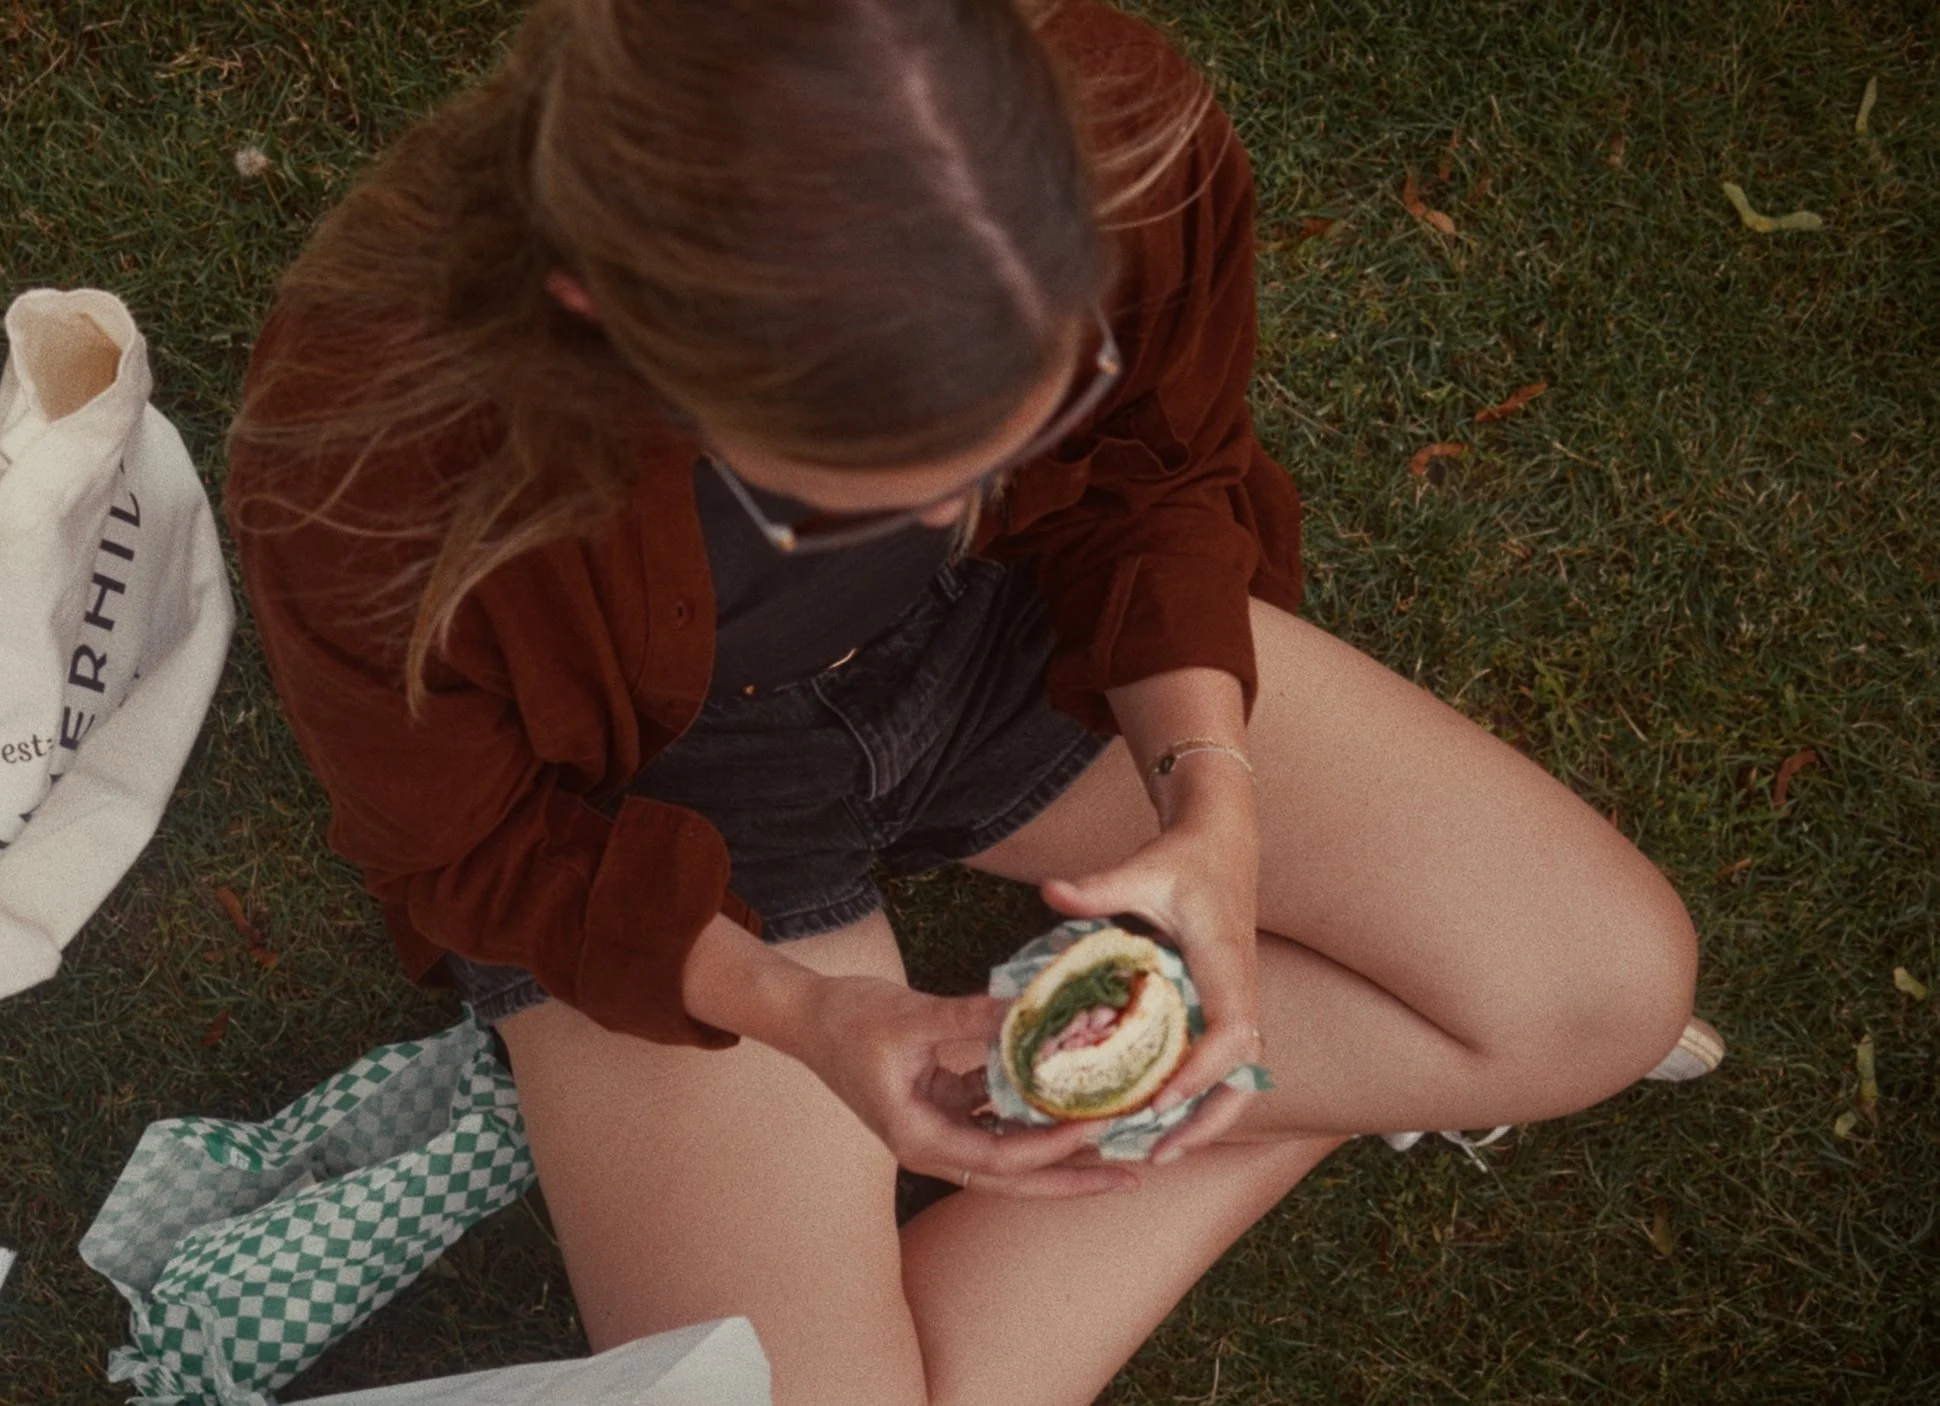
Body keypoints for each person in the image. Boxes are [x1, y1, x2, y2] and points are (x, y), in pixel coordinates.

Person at [225, 2, 1709, 1401]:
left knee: (1604, 992)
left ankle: (1176, 1074)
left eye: (1022, 426)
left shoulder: (1113, 132)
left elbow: (1157, 487)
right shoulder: (374, 442)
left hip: (1011, 649)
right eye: (843, 498)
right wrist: (805, 1014)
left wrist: (1214, 792)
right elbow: (470, 846)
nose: (950, 515)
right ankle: (1230, 1085)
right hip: (649, 809)